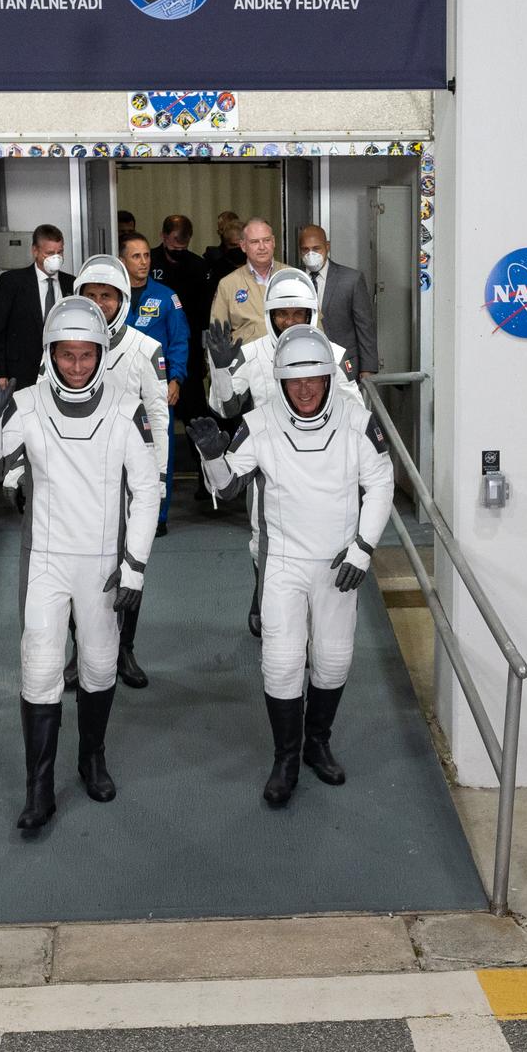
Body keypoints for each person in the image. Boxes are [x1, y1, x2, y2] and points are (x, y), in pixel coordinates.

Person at [0, 297, 159, 831]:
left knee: (99, 665)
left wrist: (135, 566)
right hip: (46, 562)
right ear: (50, 354)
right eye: (66, 355)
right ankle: (39, 787)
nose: (77, 366)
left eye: (86, 355)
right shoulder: (26, 405)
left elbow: (145, 493)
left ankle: (92, 757)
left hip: (102, 564)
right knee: (41, 666)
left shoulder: (125, 408)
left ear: (101, 353)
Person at [189, 325, 394, 807]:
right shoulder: (259, 423)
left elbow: (381, 482)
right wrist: (213, 455)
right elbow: (225, 485)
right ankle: (286, 757)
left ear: (328, 377)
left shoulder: (356, 420)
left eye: (315, 379)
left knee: (333, 658)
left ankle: (317, 741)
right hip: (283, 563)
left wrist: (363, 548)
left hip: (339, 563)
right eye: (295, 381)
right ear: (280, 381)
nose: (305, 389)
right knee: (281, 665)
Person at [205, 268, 362, 638]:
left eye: (298, 314)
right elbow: (225, 409)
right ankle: (265, 599)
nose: (290, 322)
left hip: (322, 471)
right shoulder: (253, 353)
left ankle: (311, 624)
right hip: (269, 470)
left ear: (311, 314)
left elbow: (356, 414)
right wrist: (221, 368)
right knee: (264, 542)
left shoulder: (334, 355)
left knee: (321, 547)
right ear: (270, 314)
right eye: (282, 314)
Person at [50, 254, 169, 690]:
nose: (99, 304)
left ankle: (123, 650)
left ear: (123, 299)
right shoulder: (59, 346)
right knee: (75, 570)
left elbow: (157, 419)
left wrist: (156, 482)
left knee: (129, 564)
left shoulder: (144, 349)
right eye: (91, 295)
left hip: (129, 480)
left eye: (108, 296)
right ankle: (80, 651)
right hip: (76, 480)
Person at [119, 230, 189, 536]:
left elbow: (180, 340)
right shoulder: (110, 295)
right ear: (122, 260)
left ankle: (158, 516)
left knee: (160, 448)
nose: (144, 262)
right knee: (120, 450)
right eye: (136, 256)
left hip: (157, 386)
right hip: (119, 387)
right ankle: (123, 510)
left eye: (147, 255)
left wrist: (176, 378)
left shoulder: (166, 296)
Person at [150, 215, 213, 477]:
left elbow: (207, 315)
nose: (178, 249)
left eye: (183, 245)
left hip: (187, 352)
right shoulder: (149, 261)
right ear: (164, 236)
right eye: (174, 243)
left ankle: (205, 478)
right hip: (152, 350)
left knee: (195, 417)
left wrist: (205, 356)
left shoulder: (198, 266)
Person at [0, 225, 74, 390]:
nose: (56, 258)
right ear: (35, 251)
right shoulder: (11, 282)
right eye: (49, 253)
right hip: (20, 373)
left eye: (59, 252)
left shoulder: (72, 284)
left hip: (62, 372)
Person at [297, 224, 379, 379]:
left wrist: (368, 369)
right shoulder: (293, 280)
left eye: (316, 248)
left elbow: (365, 327)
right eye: (305, 250)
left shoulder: (351, 279)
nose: (311, 254)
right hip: (304, 366)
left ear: (327, 246)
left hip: (343, 366)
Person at [210, 217, 283, 347]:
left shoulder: (293, 277)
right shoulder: (228, 284)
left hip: (287, 359)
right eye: (254, 242)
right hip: (246, 363)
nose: (262, 247)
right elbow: (217, 336)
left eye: (266, 240)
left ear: (273, 242)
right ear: (243, 246)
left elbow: (314, 326)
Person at [208, 219, 246, 288]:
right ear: (226, 244)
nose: (238, 248)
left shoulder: (258, 267)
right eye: (234, 245)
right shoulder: (218, 270)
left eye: (242, 244)